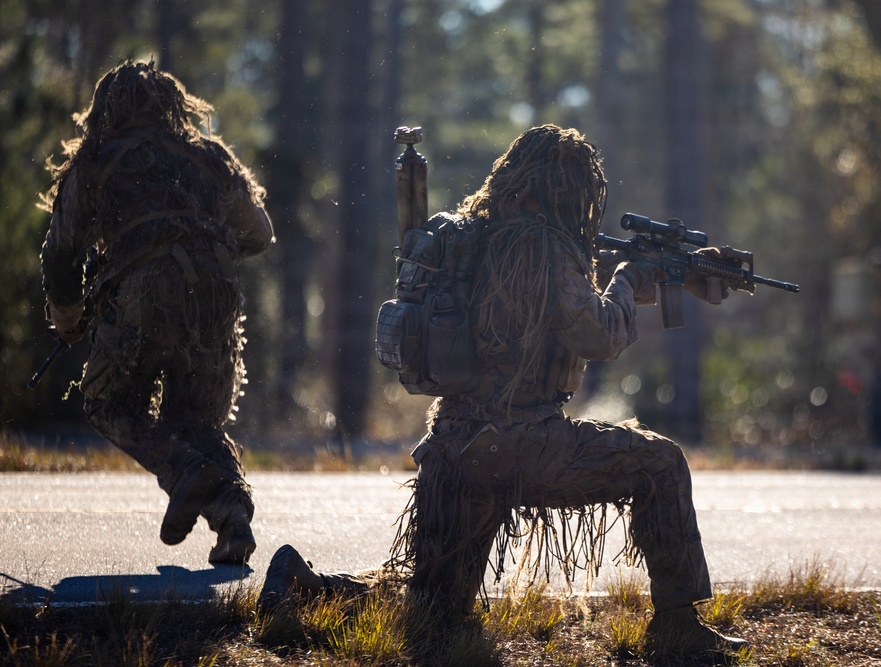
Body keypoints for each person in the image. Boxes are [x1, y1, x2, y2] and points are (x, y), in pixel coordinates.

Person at [260, 125, 745, 657]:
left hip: (453, 446)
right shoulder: (543, 246)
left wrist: (678, 275)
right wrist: (629, 281)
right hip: (521, 444)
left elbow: (565, 292)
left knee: (433, 607)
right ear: (564, 187)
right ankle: (678, 628)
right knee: (662, 463)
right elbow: (599, 333)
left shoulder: (477, 236)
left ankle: (307, 588)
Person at [39, 61, 274, 565]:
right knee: (197, 420)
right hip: (217, 296)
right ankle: (233, 518)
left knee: (106, 402)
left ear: (103, 110)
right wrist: (206, 244)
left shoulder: (95, 160)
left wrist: (69, 317)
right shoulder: (209, 157)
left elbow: (61, 253)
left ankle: (185, 471)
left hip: (146, 293)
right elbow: (259, 233)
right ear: (173, 105)